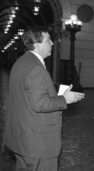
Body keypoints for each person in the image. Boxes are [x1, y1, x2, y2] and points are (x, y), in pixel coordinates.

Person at [3, 26, 85, 171]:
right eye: (48, 40)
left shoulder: (21, 62)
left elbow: (29, 96)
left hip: (23, 138)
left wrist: (57, 94)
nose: (52, 43)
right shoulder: (36, 68)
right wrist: (64, 99)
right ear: (37, 44)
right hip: (38, 143)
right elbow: (39, 104)